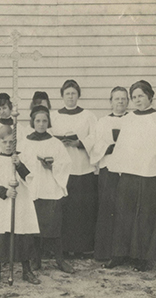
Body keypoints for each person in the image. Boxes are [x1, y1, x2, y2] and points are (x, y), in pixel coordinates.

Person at [106, 80, 156, 271]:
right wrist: (119, 169)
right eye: (134, 97)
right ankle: (119, 254)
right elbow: (122, 146)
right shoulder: (129, 118)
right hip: (129, 173)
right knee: (123, 213)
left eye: (141, 96)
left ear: (150, 96)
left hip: (149, 174)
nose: (137, 100)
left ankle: (141, 257)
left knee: (145, 216)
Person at [20, 105, 74, 273]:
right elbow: (19, 165)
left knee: (54, 226)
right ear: (32, 122)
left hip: (50, 187)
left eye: (44, 121)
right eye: (38, 121)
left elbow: (66, 163)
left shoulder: (55, 143)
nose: (41, 124)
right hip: (33, 188)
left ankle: (59, 260)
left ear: (48, 122)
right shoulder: (24, 142)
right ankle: (36, 260)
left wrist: (52, 165)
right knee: (34, 226)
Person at [0, 125, 41, 284]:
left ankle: (26, 270)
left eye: (11, 142)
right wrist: (5, 192)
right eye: (5, 142)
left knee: (22, 234)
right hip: (0, 203)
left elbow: (30, 178)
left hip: (21, 201)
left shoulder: (21, 158)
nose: (8, 145)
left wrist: (19, 165)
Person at [50, 79, 98, 256]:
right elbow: (47, 138)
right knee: (65, 210)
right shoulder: (53, 116)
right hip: (63, 169)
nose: (70, 97)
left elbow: (95, 137)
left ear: (79, 95)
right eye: (67, 93)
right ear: (62, 95)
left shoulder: (88, 116)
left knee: (82, 210)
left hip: (82, 168)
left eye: (73, 93)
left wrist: (79, 142)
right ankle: (64, 248)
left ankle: (82, 248)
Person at [90, 87, 129, 261]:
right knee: (107, 210)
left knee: (125, 211)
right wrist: (108, 147)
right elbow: (95, 145)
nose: (120, 101)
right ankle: (106, 253)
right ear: (110, 101)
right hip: (108, 168)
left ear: (127, 101)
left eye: (123, 98)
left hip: (127, 170)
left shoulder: (133, 120)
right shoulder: (103, 122)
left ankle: (125, 253)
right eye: (116, 99)